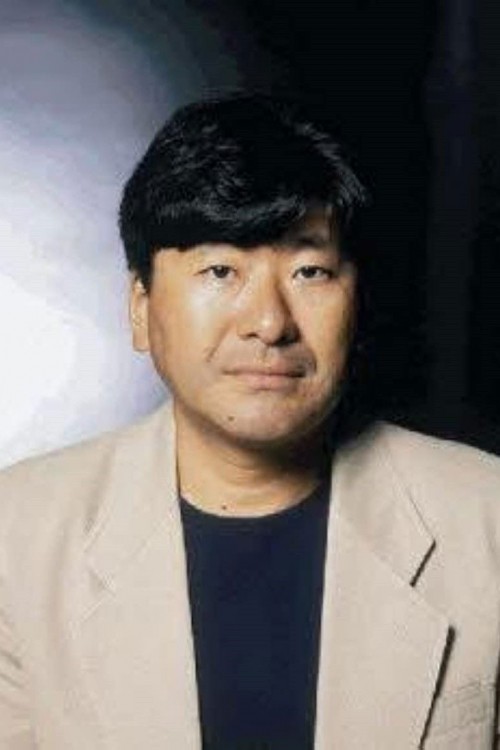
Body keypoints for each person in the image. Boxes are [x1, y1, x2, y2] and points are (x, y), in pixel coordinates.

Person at [0, 94, 499, 750]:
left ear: (358, 300)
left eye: (310, 271)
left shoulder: (486, 517)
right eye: (221, 270)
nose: (269, 322)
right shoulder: (17, 535)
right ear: (140, 307)